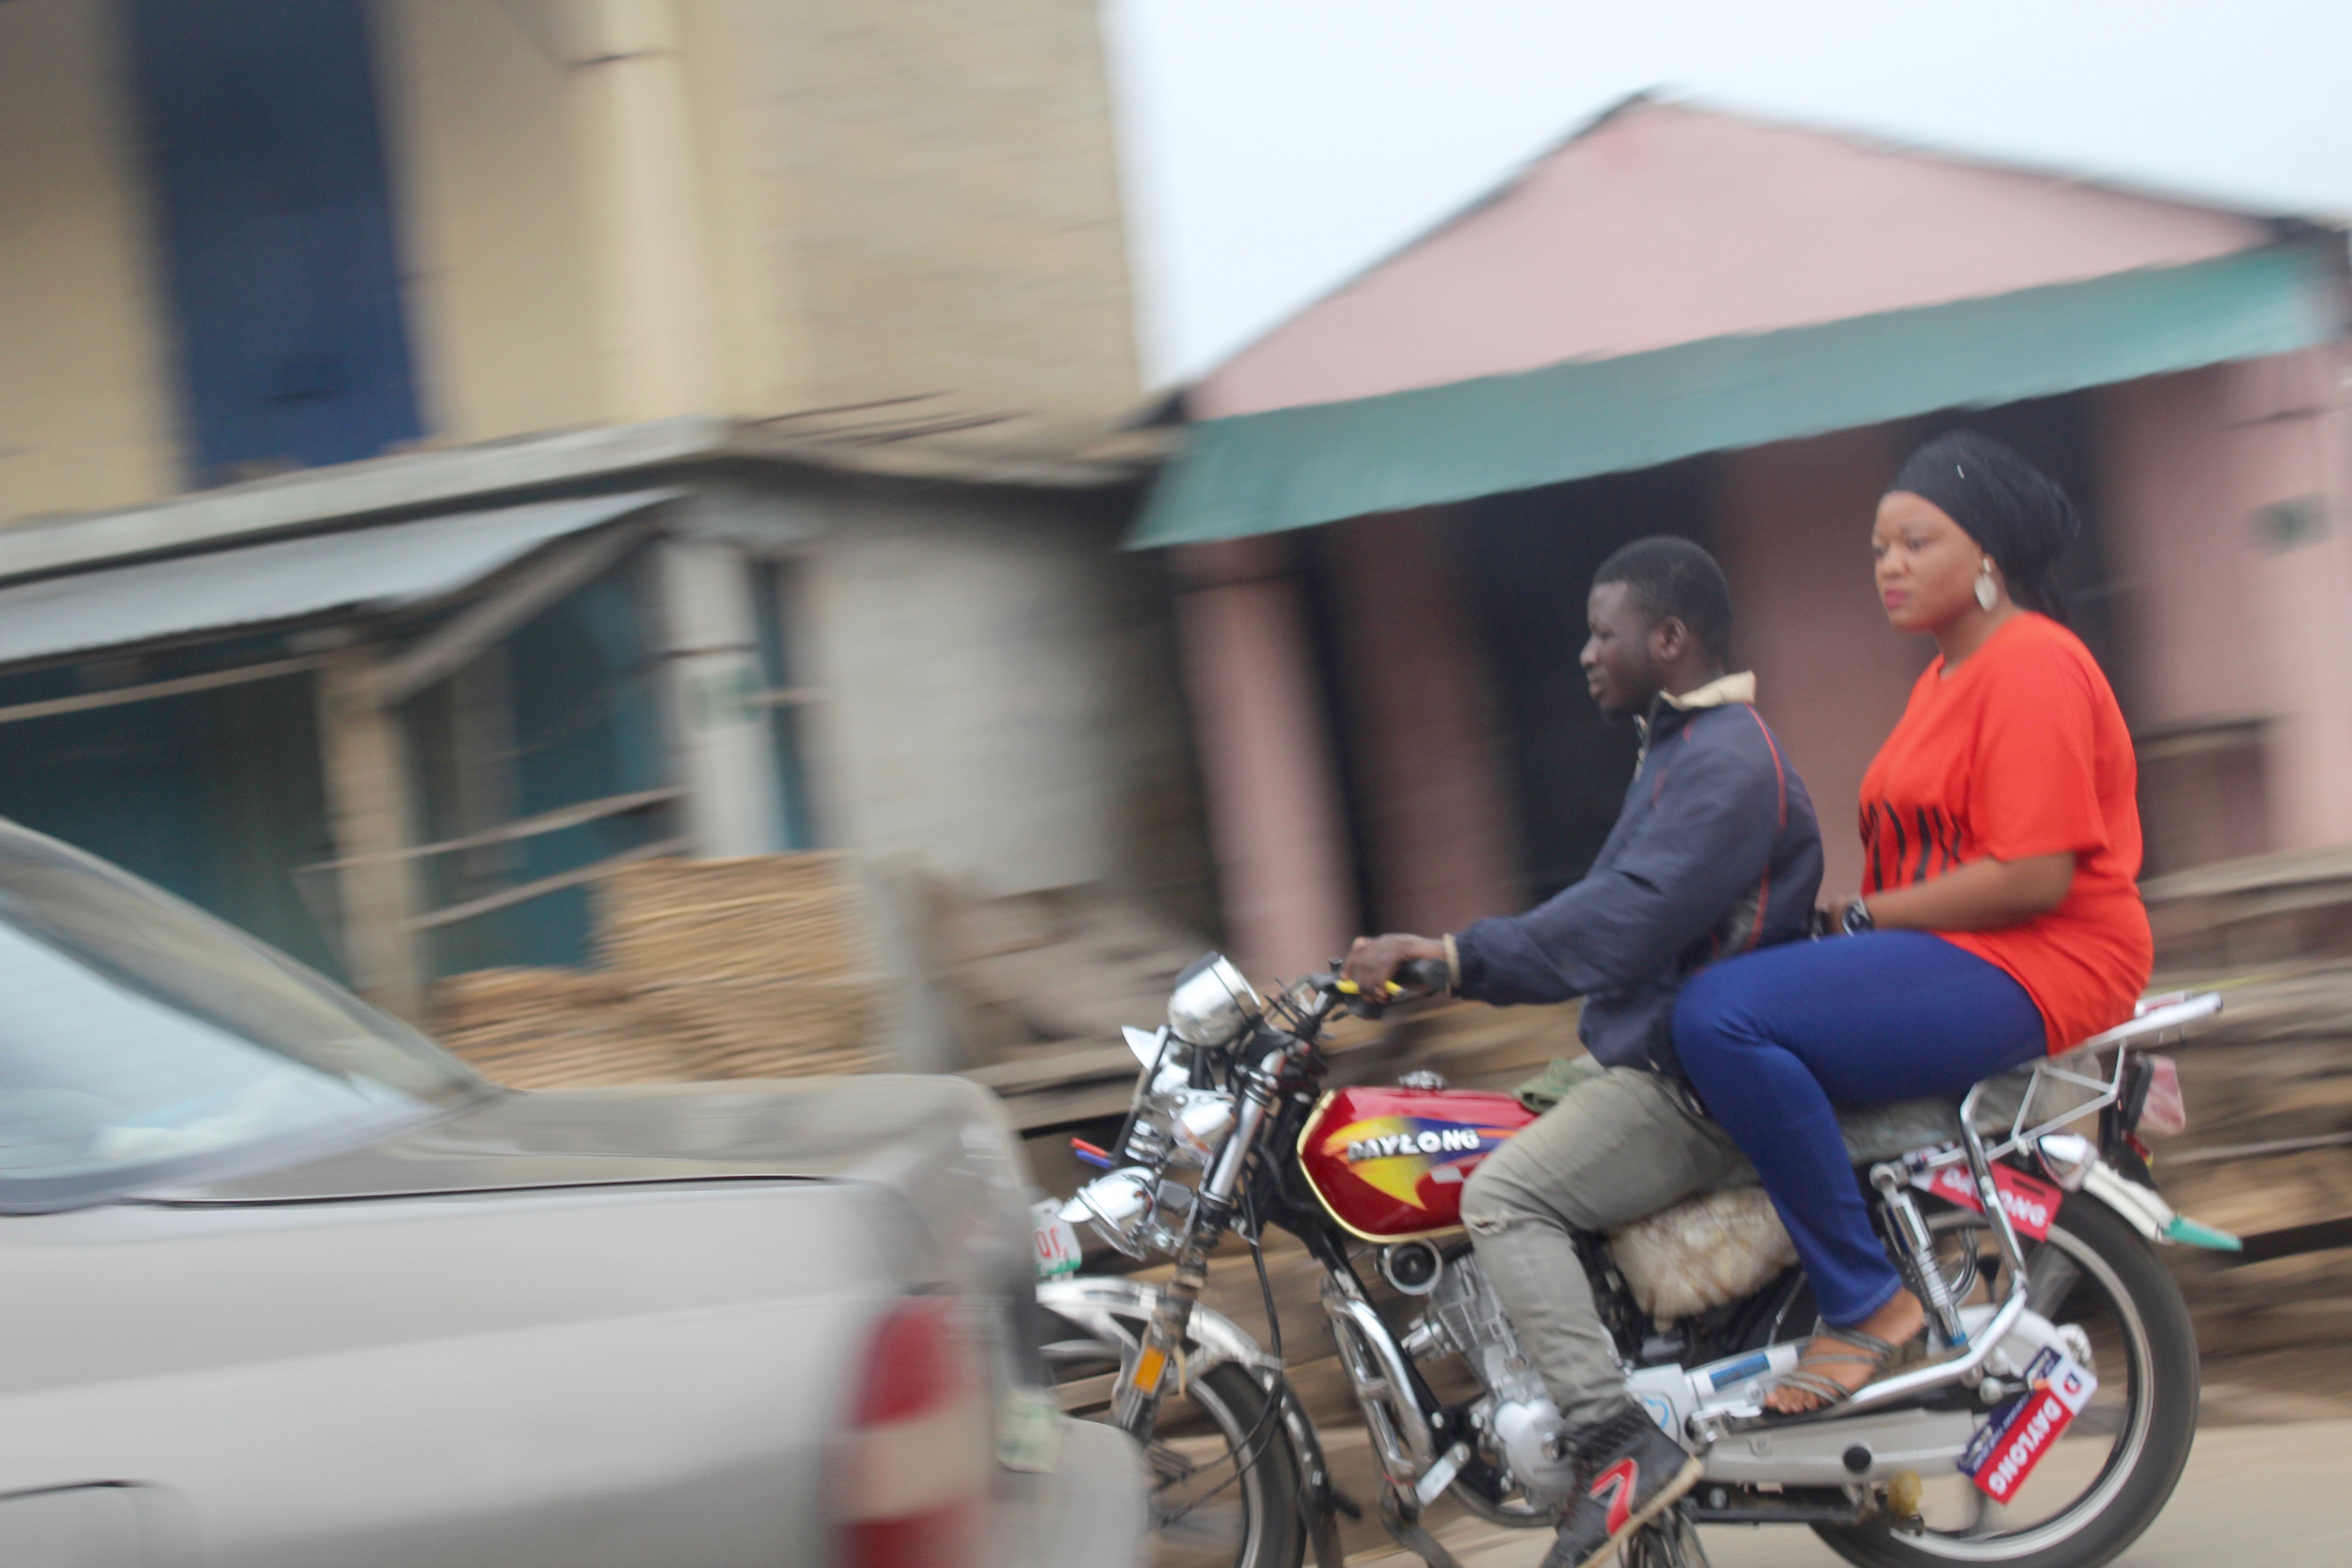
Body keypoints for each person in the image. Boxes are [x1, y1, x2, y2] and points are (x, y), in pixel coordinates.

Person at [1343, 535, 1823, 1568]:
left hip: (1691, 1082)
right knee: (1470, 1142)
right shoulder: (1680, 750)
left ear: (1670, 637)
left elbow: (1621, 923)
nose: (1585, 654)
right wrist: (1448, 961)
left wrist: (1453, 957)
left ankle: (1616, 1444)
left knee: (1503, 1199)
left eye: (1604, 633)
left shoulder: (1728, 761)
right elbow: (1605, 913)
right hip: (1644, 1056)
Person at [1670, 431, 2154, 1415]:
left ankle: (1865, 1301)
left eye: (1916, 543)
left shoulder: (2033, 666)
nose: (1888, 566)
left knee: (1721, 1017)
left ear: (1987, 556)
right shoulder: (1944, 677)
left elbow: (2030, 875)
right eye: (1879, 549)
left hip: (2040, 957)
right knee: (1712, 1000)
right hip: (1958, 954)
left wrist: (1858, 921)